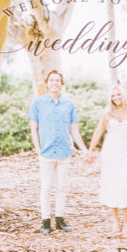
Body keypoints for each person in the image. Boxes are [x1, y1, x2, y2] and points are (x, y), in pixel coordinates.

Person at [29, 70, 89, 234]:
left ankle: (60, 220)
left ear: (62, 85)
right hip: (46, 153)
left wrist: (84, 150)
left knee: (62, 187)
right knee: (46, 188)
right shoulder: (38, 103)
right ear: (47, 84)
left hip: (64, 152)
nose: (55, 83)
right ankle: (45, 222)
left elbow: (74, 130)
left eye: (58, 81)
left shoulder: (68, 104)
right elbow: (33, 128)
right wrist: (38, 149)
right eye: (52, 80)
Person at [85, 85, 127, 237]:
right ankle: (116, 221)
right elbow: (98, 131)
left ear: (124, 95)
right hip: (110, 153)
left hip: (126, 153)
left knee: (124, 186)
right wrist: (90, 151)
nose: (116, 97)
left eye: (119, 95)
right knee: (112, 186)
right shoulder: (107, 114)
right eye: (113, 95)